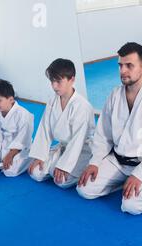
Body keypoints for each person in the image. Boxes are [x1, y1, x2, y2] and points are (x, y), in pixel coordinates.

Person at [77, 42, 142, 215]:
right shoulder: (115, 95)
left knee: (131, 206)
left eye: (129, 65)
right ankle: (122, 182)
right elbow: (103, 134)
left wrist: (139, 175)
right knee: (84, 189)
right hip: (118, 161)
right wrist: (95, 161)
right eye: (120, 65)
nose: (123, 71)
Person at [28, 58, 95, 188]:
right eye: (52, 81)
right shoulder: (52, 102)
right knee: (36, 173)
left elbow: (78, 140)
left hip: (82, 149)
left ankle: (81, 166)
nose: (54, 86)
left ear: (72, 80)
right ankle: (55, 166)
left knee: (62, 181)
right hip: (63, 147)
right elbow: (44, 129)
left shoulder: (82, 106)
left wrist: (64, 166)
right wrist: (39, 156)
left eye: (58, 81)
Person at [0, 79, 34, 179]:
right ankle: (0, 159)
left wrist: (11, 154)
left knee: (9, 171)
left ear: (11, 99)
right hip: (2, 144)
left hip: (20, 147)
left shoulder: (24, 115)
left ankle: (31, 158)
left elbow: (23, 139)